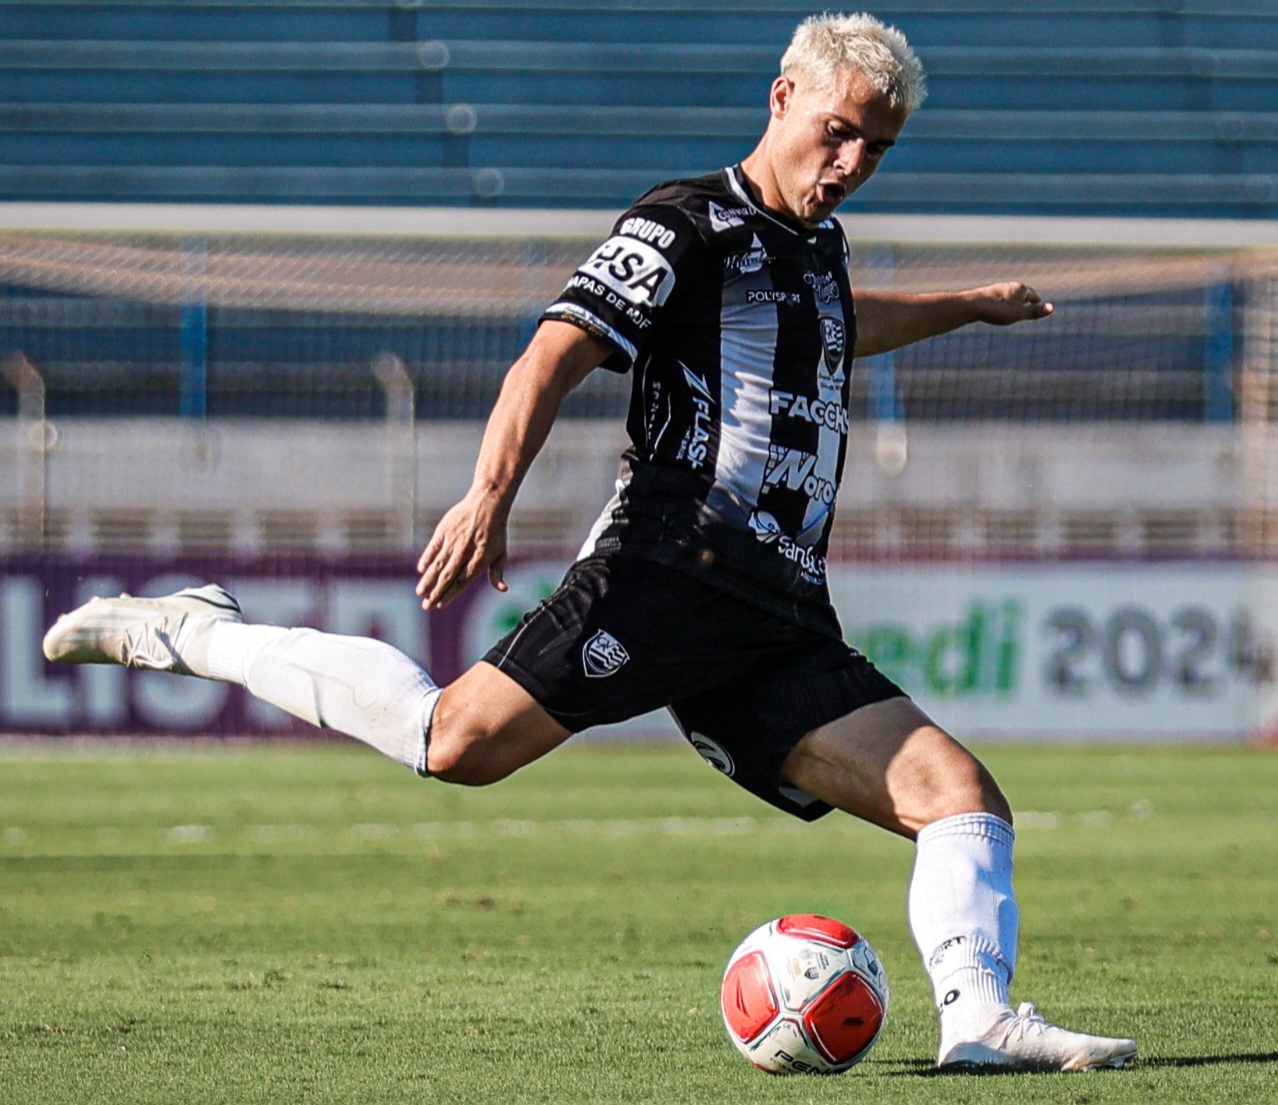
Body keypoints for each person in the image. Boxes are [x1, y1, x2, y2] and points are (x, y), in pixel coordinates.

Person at [43, 12, 1136, 1072]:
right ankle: (195, 631)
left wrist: (970, 306)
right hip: (668, 565)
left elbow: (847, 322)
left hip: (780, 612)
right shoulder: (682, 224)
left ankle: (980, 1021)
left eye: (878, 148)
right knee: (453, 743)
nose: (851, 162)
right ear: (783, 95)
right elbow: (551, 355)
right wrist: (488, 495)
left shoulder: (816, 250)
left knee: (961, 799)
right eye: (839, 131)